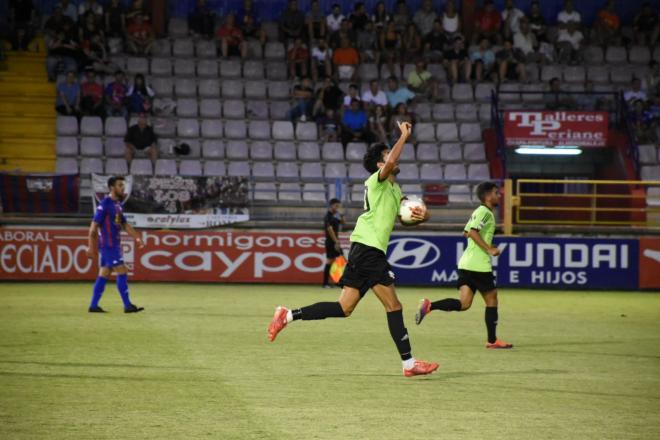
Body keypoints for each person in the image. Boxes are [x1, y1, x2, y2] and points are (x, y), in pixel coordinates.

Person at [268, 121, 439, 377]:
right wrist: (403, 136)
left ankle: (288, 315)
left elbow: (409, 216)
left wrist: (422, 215)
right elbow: (391, 163)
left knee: (344, 308)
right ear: (381, 164)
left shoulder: (395, 189)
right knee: (394, 306)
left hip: (366, 250)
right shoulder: (377, 180)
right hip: (369, 250)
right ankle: (409, 364)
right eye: (386, 156)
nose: (391, 158)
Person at [415, 181, 513, 350]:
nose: (499, 196)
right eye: (496, 193)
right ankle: (492, 340)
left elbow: (466, 232)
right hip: (478, 265)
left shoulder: (479, 211)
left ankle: (430, 306)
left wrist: (481, 238)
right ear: (488, 195)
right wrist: (489, 248)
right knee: (492, 299)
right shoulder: (486, 213)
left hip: (466, 263)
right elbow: (472, 232)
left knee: (464, 304)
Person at [86, 176, 145, 314]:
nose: (123, 187)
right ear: (112, 187)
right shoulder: (105, 204)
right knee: (122, 271)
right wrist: (90, 246)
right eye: (120, 185)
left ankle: (93, 306)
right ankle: (127, 305)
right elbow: (93, 227)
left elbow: (124, 224)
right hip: (108, 245)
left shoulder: (118, 205)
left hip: (113, 245)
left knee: (104, 273)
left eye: (123, 185)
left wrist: (137, 237)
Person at [323, 198, 344, 288]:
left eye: (338, 206)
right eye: (336, 206)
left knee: (340, 260)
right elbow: (329, 229)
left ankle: (336, 281)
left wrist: (341, 214)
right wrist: (336, 242)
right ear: (331, 206)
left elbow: (343, 222)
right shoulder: (328, 216)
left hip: (335, 242)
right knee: (330, 261)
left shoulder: (334, 217)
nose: (337, 208)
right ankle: (325, 283)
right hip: (331, 242)